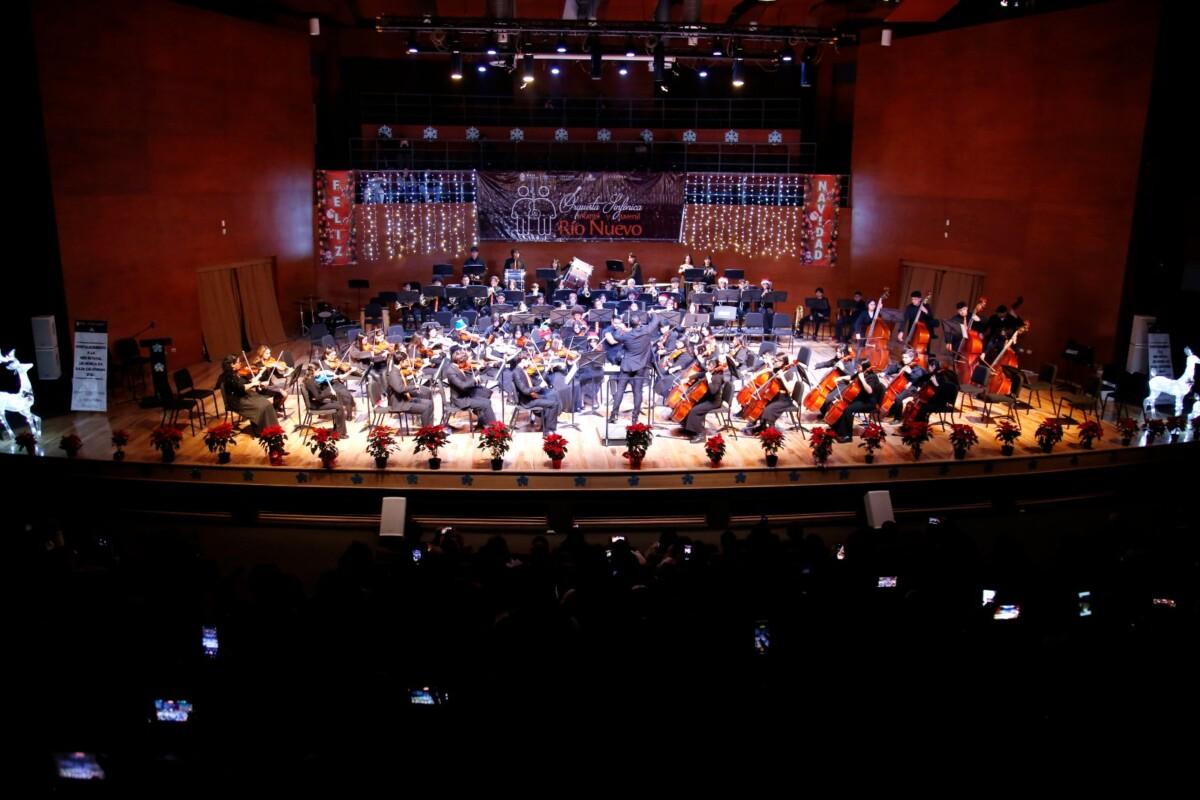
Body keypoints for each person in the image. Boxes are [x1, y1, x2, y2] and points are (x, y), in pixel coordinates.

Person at [605, 315, 656, 424]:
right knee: (637, 392)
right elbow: (655, 320)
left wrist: (621, 328)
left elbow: (615, 335)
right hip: (640, 366)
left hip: (627, 365)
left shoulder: (626, 336)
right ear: (640, 323)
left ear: (630, 325)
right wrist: (652, 313)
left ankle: (613, 416)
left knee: (620, 391)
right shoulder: (646, 331)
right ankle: (634, 418)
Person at [220, 355, 279, 431]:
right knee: (261, 407)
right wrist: (253, 384)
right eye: (238, 362)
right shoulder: (229, 377)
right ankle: (260, 429)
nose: (241, 363)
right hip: (237, 401)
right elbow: (241, 388)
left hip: (243, 395)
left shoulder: (236, 373)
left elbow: (246, 383)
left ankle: (272, 428)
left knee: (267, 404)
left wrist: (259, 382)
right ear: (232, 365)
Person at [680, 356, 728, 443]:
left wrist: (709, 380)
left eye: (709, 366)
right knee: (692, 407)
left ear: (714, 367)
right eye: (707, 365)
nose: (707, 367)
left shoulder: (718, 377)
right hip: (708, 398)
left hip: (713, 402)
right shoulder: (710, 372)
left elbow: (713, 391)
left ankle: (701, 435)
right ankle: (690, 429)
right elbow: (700, 374)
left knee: (694, 411)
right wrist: (688, 378)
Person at [445, 348, 495, 428]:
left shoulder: (457, 368)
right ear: (459, 362)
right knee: (486, 403)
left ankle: (484, 424)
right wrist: (474, 380)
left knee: (486, 398)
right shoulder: (451, 371)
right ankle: (493, 428)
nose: (466, 363)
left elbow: (467, 381)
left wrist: (476, 373)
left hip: (464, 395)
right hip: (460, 400)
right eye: (465, 362)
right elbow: (462, 385)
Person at [513, 356, 562, 435]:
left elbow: (534, 383)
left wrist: (542, 379)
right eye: (528, 360)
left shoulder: (522, 371)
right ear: (522, 360)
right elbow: (525, 391)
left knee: (551, 397)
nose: (530, 362)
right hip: (526, 401)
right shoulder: (517, 373)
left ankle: (545, 427)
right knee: (554, 404)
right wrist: (540, 387)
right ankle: (549, 430)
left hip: (529, 398)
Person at [301, 363, 348, 436]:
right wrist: (329, 392)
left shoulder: (311, 379)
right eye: (319, 371)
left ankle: (338, 427)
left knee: (337, 398)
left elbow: (318, 392)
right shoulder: (310, 382)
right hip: (314, 405)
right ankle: (341, 433)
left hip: (317, 401)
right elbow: (318, 397)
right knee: (339, 407)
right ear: (314, 370)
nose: (320, 373)